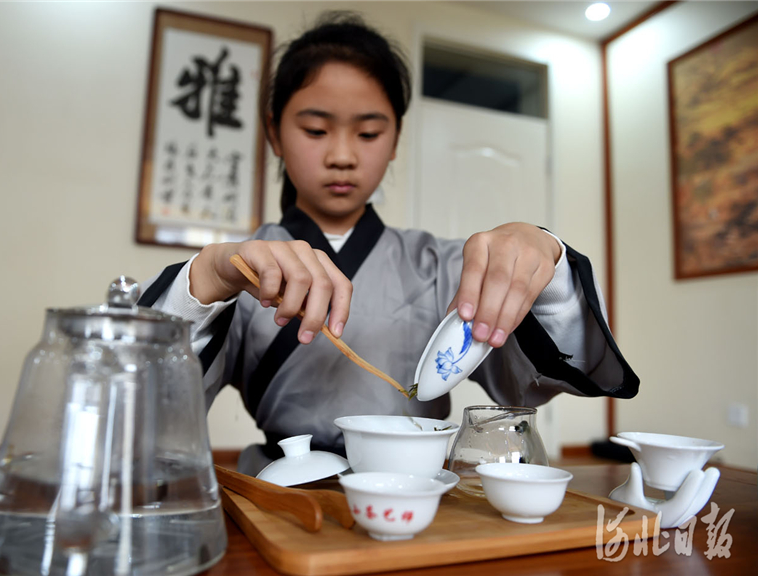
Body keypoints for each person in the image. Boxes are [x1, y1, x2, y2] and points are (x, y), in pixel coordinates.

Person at [140, 12, 638, 475]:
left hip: (419, 488)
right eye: (315, 129)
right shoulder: (242, 274)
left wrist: (544, 264)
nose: (341, 155)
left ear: (396, 137)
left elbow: (530, 382)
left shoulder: (444, 266)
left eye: (369, 132)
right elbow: (150, 401)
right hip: (284, 490)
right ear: (274, 133)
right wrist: (206, 276)